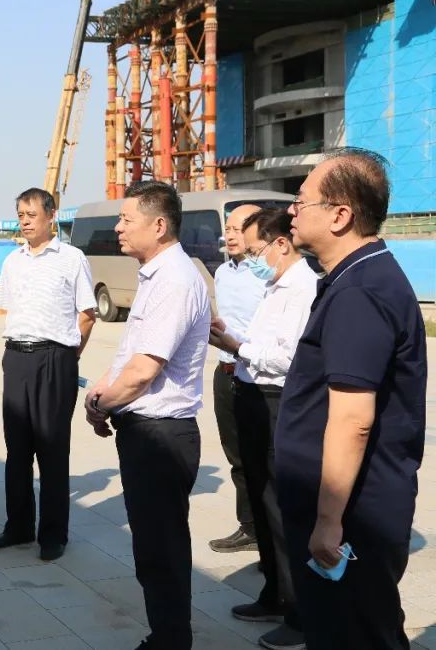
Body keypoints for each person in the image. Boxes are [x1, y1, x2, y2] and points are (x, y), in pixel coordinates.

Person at [277, 148, 427, 650]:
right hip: (349, 507)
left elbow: (352, 419)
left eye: (301, 201)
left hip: (352, 514)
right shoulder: (355, 277)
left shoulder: (361, 290)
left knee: (354, 633)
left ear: (340, 215)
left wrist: (328, 522)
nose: (292, 211)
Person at [84, 181, 210, 650]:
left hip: (162, 435)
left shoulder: (174, 280)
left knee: (162, 548)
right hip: (145, 430)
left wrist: (101, 404)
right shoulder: (155, 276)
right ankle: (166, 633)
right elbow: (129, 357)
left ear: (158, 226)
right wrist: (103, 393)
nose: (117, 228)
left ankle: (171, 640)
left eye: (126, 219)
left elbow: (142, 372)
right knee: (153, 546)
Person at [209, 208, 317, 650]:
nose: (251, 259)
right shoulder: (275, 284)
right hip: (251, 394)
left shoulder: (303, 288)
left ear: (280, 244)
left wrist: (238, 346)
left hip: (278, 400)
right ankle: (274, 592)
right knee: (260, 497)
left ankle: (300, 614)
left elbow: (289, 358)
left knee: (282, 510)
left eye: (255, 251)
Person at [0, 187, 96, 562]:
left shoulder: (71, 258)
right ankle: (18, 526)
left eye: (31, 214)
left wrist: (67, 356)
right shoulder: (12, 261)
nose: (25, 221)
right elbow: (10, 309)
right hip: (16, 357)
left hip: (55, 359)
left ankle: (53, 534)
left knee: (51, 449)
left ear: (51, 216)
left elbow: (87, 315)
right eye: (20, 215)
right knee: (16, 449)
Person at [208, 203, 265, 554]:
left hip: (258, 375)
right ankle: (250, 527)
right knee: (237, 457)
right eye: (227, 228)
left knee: (264, 458)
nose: (229, 235)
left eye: (237, 228)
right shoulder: (222, 273)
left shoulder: (268, 274)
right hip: (225, 370)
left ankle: (272, 533)